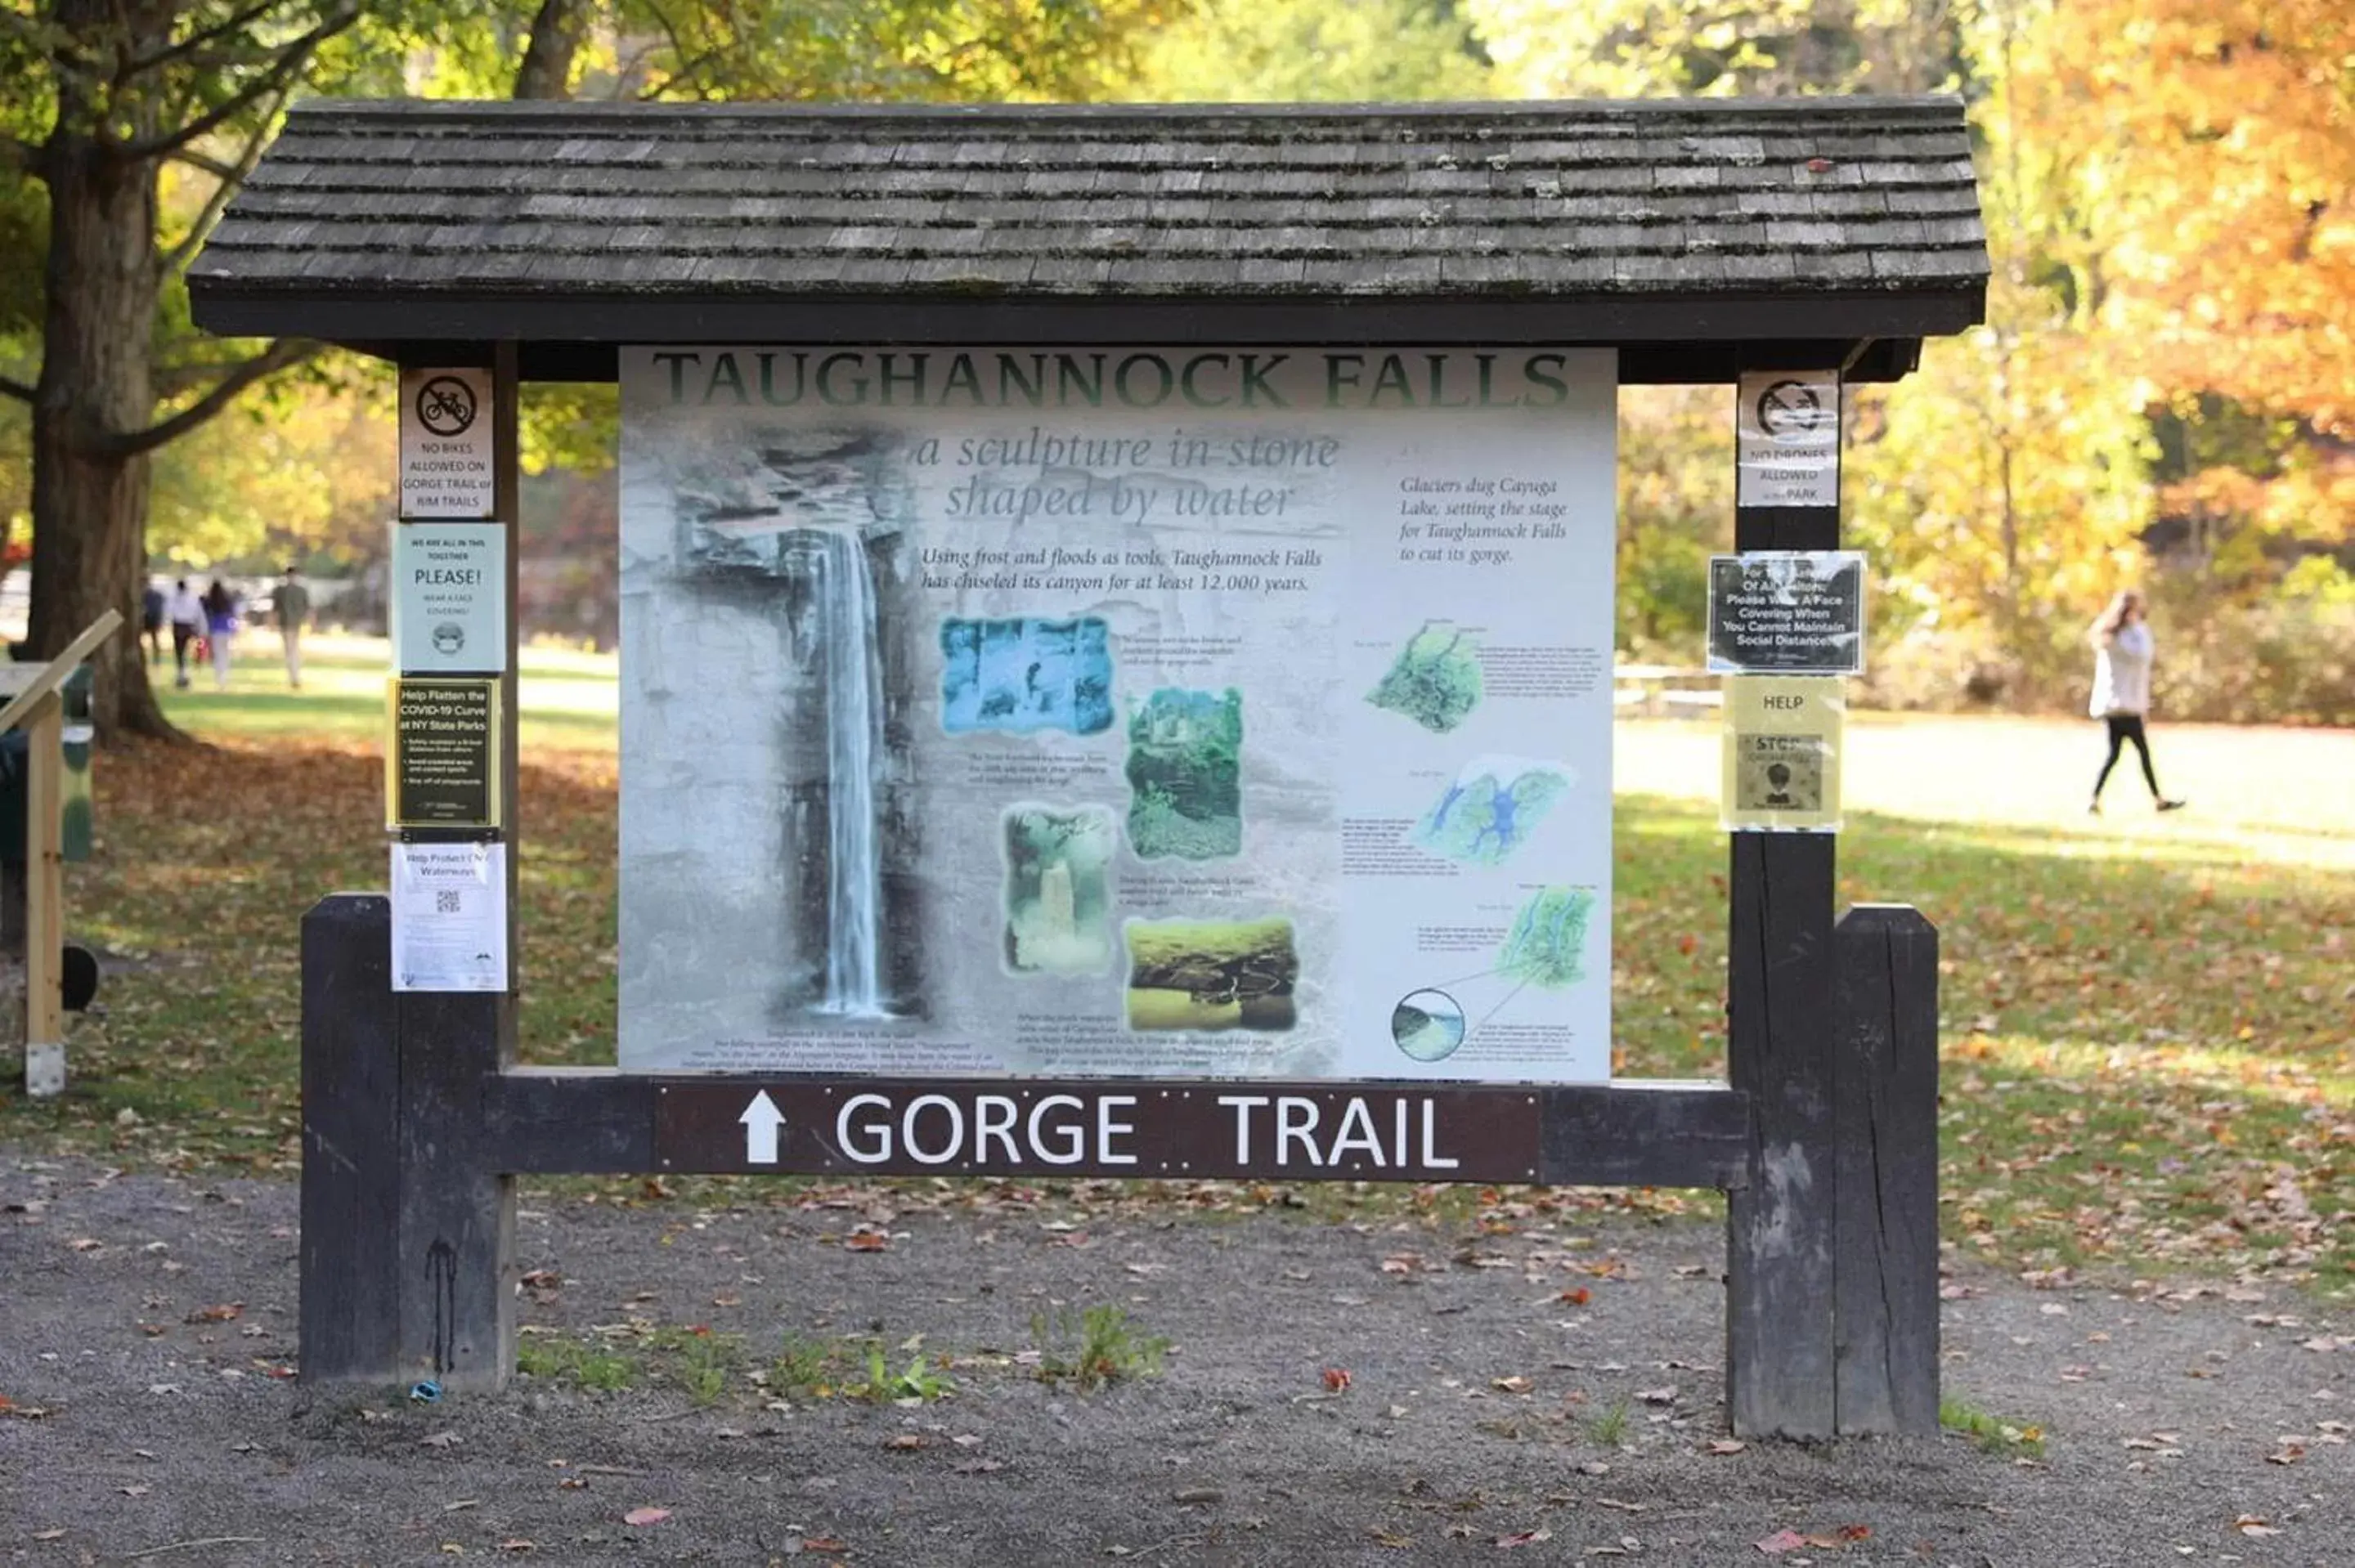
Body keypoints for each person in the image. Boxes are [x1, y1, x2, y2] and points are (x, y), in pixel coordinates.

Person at [2087, 589, 2185, 813]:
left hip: (2114, 705)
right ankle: (2158, 799)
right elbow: (2142, 654)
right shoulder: (2127, 637)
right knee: (2141, 753)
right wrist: (2138, 627)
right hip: (2125, 705)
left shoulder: (2109, 635)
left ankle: (2094, 798)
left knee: (2114, 755)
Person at [274, 565, 311, 688]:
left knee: (290, 650)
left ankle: (294, 676)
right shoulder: (301, 591)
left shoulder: (281, 591)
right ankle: (295, 675)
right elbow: (308, 608)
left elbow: (275, 609)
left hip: (286, 623)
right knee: (294, 649)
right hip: (296, 623)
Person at [165, 578, 203, 690]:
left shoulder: (174, 599)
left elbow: (169, 612)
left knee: (180, 651)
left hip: (178, 625)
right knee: (186, 651)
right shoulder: (192, 599)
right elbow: (198, 613)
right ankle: (184, 675)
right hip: (189, 626)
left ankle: (182, 674)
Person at [201, 579, 238, 692]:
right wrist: (235, 629)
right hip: (226, 629)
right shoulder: (227, 601)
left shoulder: (209, 602)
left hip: (214, 630)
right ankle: (224, 676)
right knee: (225, 654)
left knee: (217, 654)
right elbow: (233, 615)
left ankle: (219, 677)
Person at [141, 580, 166, 665]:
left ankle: (156, 659)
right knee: (155, 640)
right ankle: (156, 659)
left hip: (149, 620)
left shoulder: (146, 595)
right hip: (153, 620)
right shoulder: (157, 596)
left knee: (153, 640)